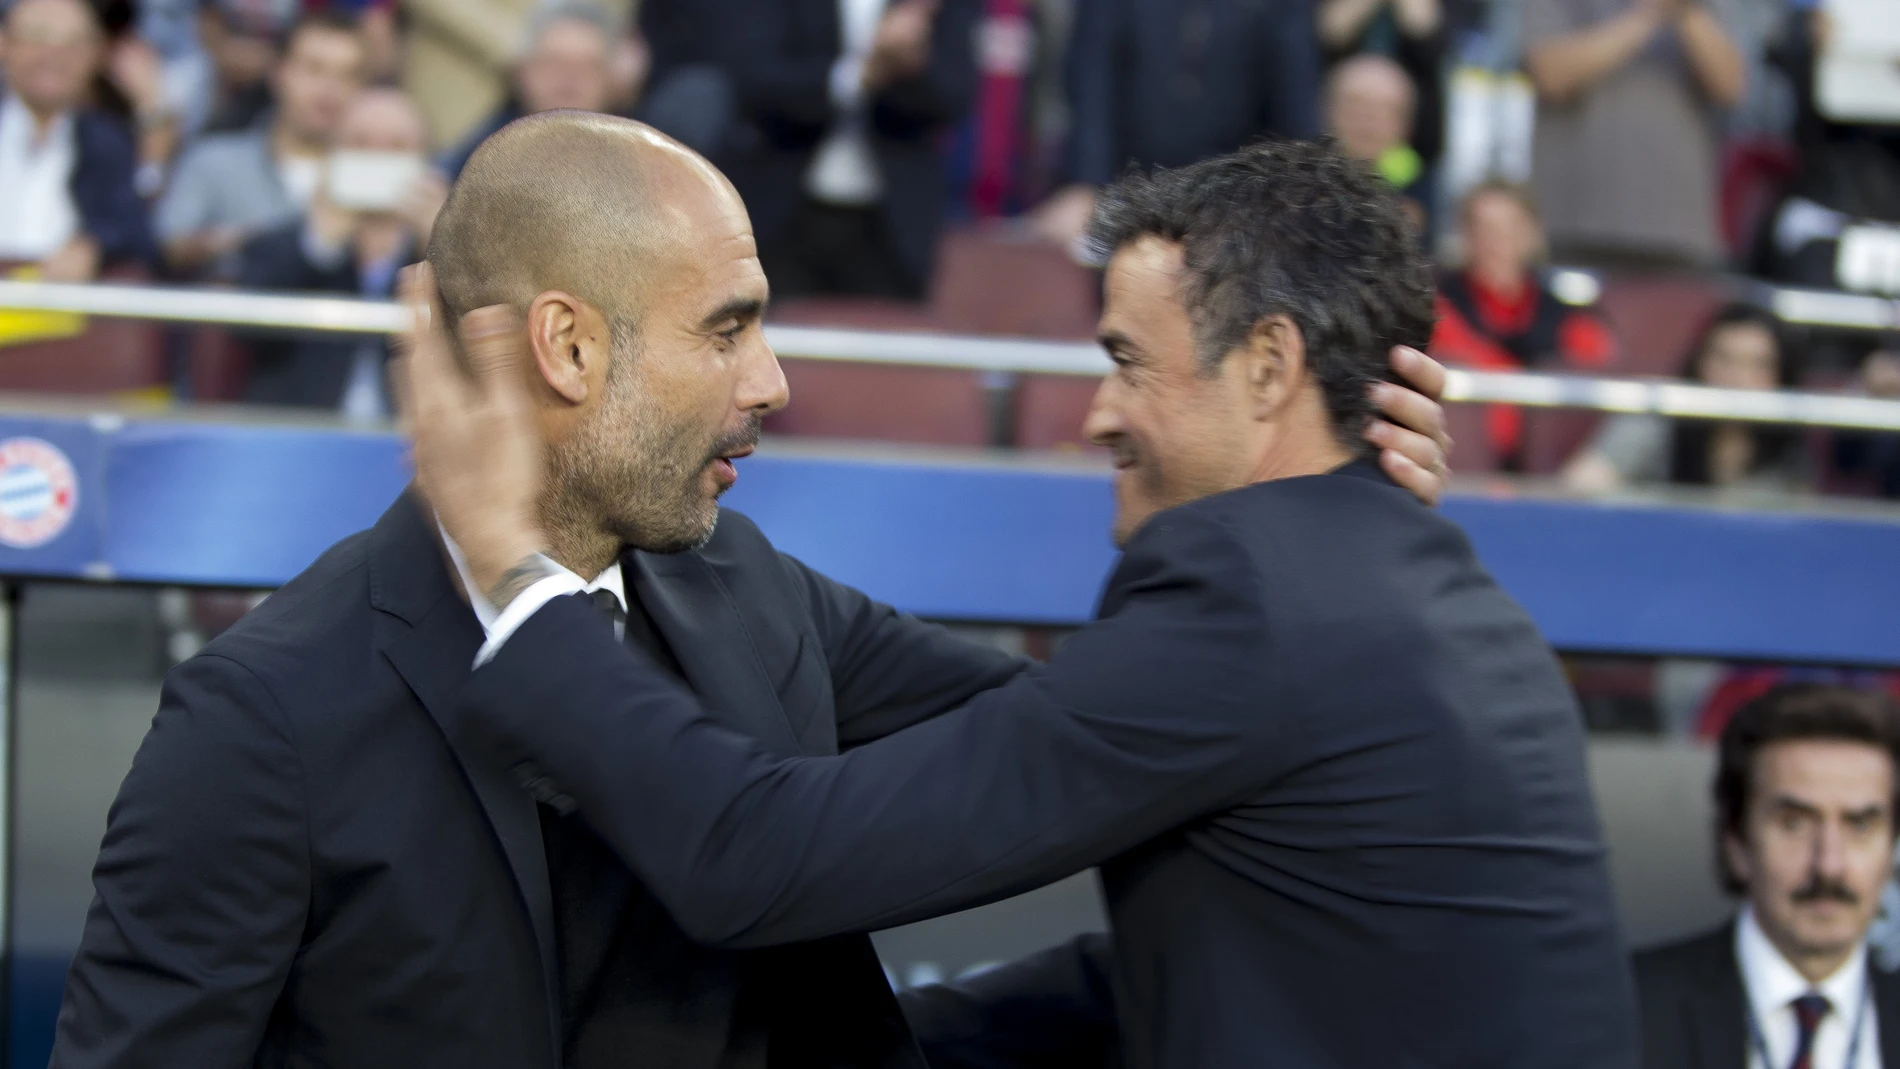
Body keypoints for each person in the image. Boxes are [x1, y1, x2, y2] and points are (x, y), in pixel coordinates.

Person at [49, 113, 1454, 1068]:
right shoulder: (260, 717)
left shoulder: (756, 596)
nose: (772, 382)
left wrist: (1308, 518)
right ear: (567, 348)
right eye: (728, 328)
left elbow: (1110, 745)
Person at [408, 138, 1636, 1069]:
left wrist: (511, 571)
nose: (1097, 415)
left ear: (1267, 368)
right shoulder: (1388, 591)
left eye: (1125, 362)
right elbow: (1174, 934)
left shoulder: (1262, 597)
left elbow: (757, 856)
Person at [1633, 684, 1900, 1069]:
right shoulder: (1630, 1008)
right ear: (1736, 841)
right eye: (1794, 824)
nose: (1829, 865)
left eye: (1859, 825)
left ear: (1892, 848)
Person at [719, 0, 979, 300]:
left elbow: (954, 94)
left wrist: (908, 63)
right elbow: (750, 78)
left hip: (892, 225)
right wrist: (861, 74)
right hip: (780, 210)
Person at [1032, 0, 1322, 250]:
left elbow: (1295, 100)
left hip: (1233, 199)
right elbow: (1092, 80)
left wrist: (1295, 198)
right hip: (1126, 187)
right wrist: (1086, 183)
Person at [233, 89, 446, 414]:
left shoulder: (447, 252)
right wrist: (318, 246)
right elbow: (247, 335)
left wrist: (442, 247)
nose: (377, 159)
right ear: (333, 155)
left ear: (425, 162)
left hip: (410, 444)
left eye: (397, 147)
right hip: (301, 437)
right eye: (360, 144)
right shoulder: (279, 244)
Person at [1522, 0, 1747, 269]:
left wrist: (1686, 12)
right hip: (1575, 223)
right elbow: (1550, 74)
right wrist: (1649, 14)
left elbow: (1731, 88)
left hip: (1676, 230)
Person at [155, 10, 365, 280]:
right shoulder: (214, 160)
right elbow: (165, 247)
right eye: (314, 69)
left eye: (348, 75)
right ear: (279, 73)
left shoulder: (380, 174)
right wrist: (234, 243)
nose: (330, 88)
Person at [1432, 179, 1617, 466]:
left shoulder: (1573, 323)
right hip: (1459, 470)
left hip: (1551, 477)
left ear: (1533, 235)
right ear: (1465, 237)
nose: (1495, 243)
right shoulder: (1436, 312)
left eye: (1510, 229)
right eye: (1483, 229)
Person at [1563, 304, 1804, 494]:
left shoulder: (1793, 452)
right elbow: (1578, 490)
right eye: (1723, 359)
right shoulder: (1655, 415)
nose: (1737, 378)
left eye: (1758, 364)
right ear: (1698, 362)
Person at [0, 0, 154, 280]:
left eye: (73, 44)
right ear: (5, 44)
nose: (54, 56)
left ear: (95, 57)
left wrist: (92, 245)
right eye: (38, 37)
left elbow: (135, 231)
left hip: (63, 307)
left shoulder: (108, 140)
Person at [401, 0, 636, 151]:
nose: (569, 79)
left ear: (611, 78)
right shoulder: (471, 160)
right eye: (554, 63)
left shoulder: (640, 161)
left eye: (587, 66)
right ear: (524, 72)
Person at [1324, 52, 1429, 228]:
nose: (1368, 120)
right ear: (1328, 111)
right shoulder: (1297, 187)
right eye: (1356, 105)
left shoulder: (1418, 187)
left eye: (1383, 111)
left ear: (1406, 124)